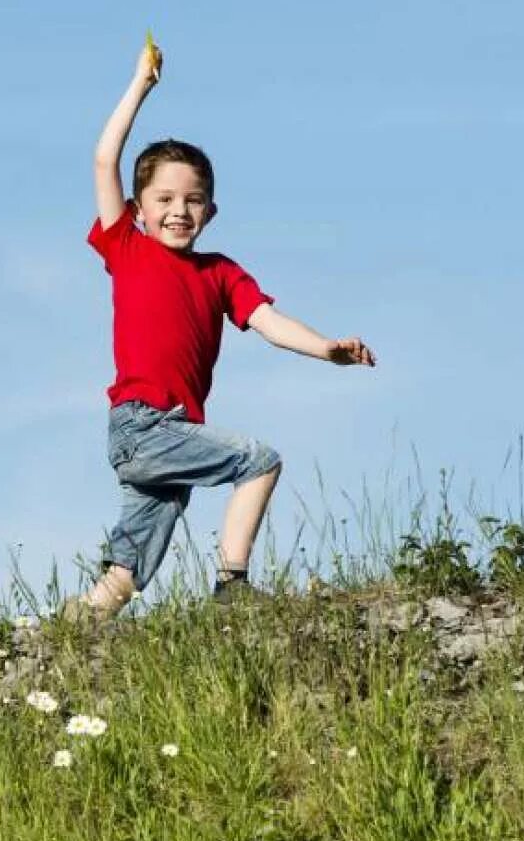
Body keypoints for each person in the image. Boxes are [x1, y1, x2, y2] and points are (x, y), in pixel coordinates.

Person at [66, 38, 376, 623]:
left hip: (173, 433)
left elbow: (270, 323)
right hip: (142, 425)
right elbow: (105, 160)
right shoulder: (127, 247)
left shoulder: (221, 273)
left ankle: (78, 624)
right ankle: (232, 586)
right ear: (137, 208)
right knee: (259, 461)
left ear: (211, 211)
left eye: (194, 200)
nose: (179, 210)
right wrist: (141, 85)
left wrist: (327, 350)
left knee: (128, 569)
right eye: (164, 199)